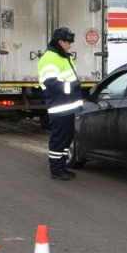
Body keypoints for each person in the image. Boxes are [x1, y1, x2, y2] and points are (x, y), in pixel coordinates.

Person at [37, 27, 83, 181]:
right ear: (60, 42)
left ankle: (62, 167)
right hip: (59, 107)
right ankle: (56, 170)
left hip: (67, 106)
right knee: (59, 139)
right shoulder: (50, 58)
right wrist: (72, 87)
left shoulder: (63, 56)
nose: (70, 45)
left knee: (66, 138)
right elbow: (51, 84)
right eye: (68, 42)